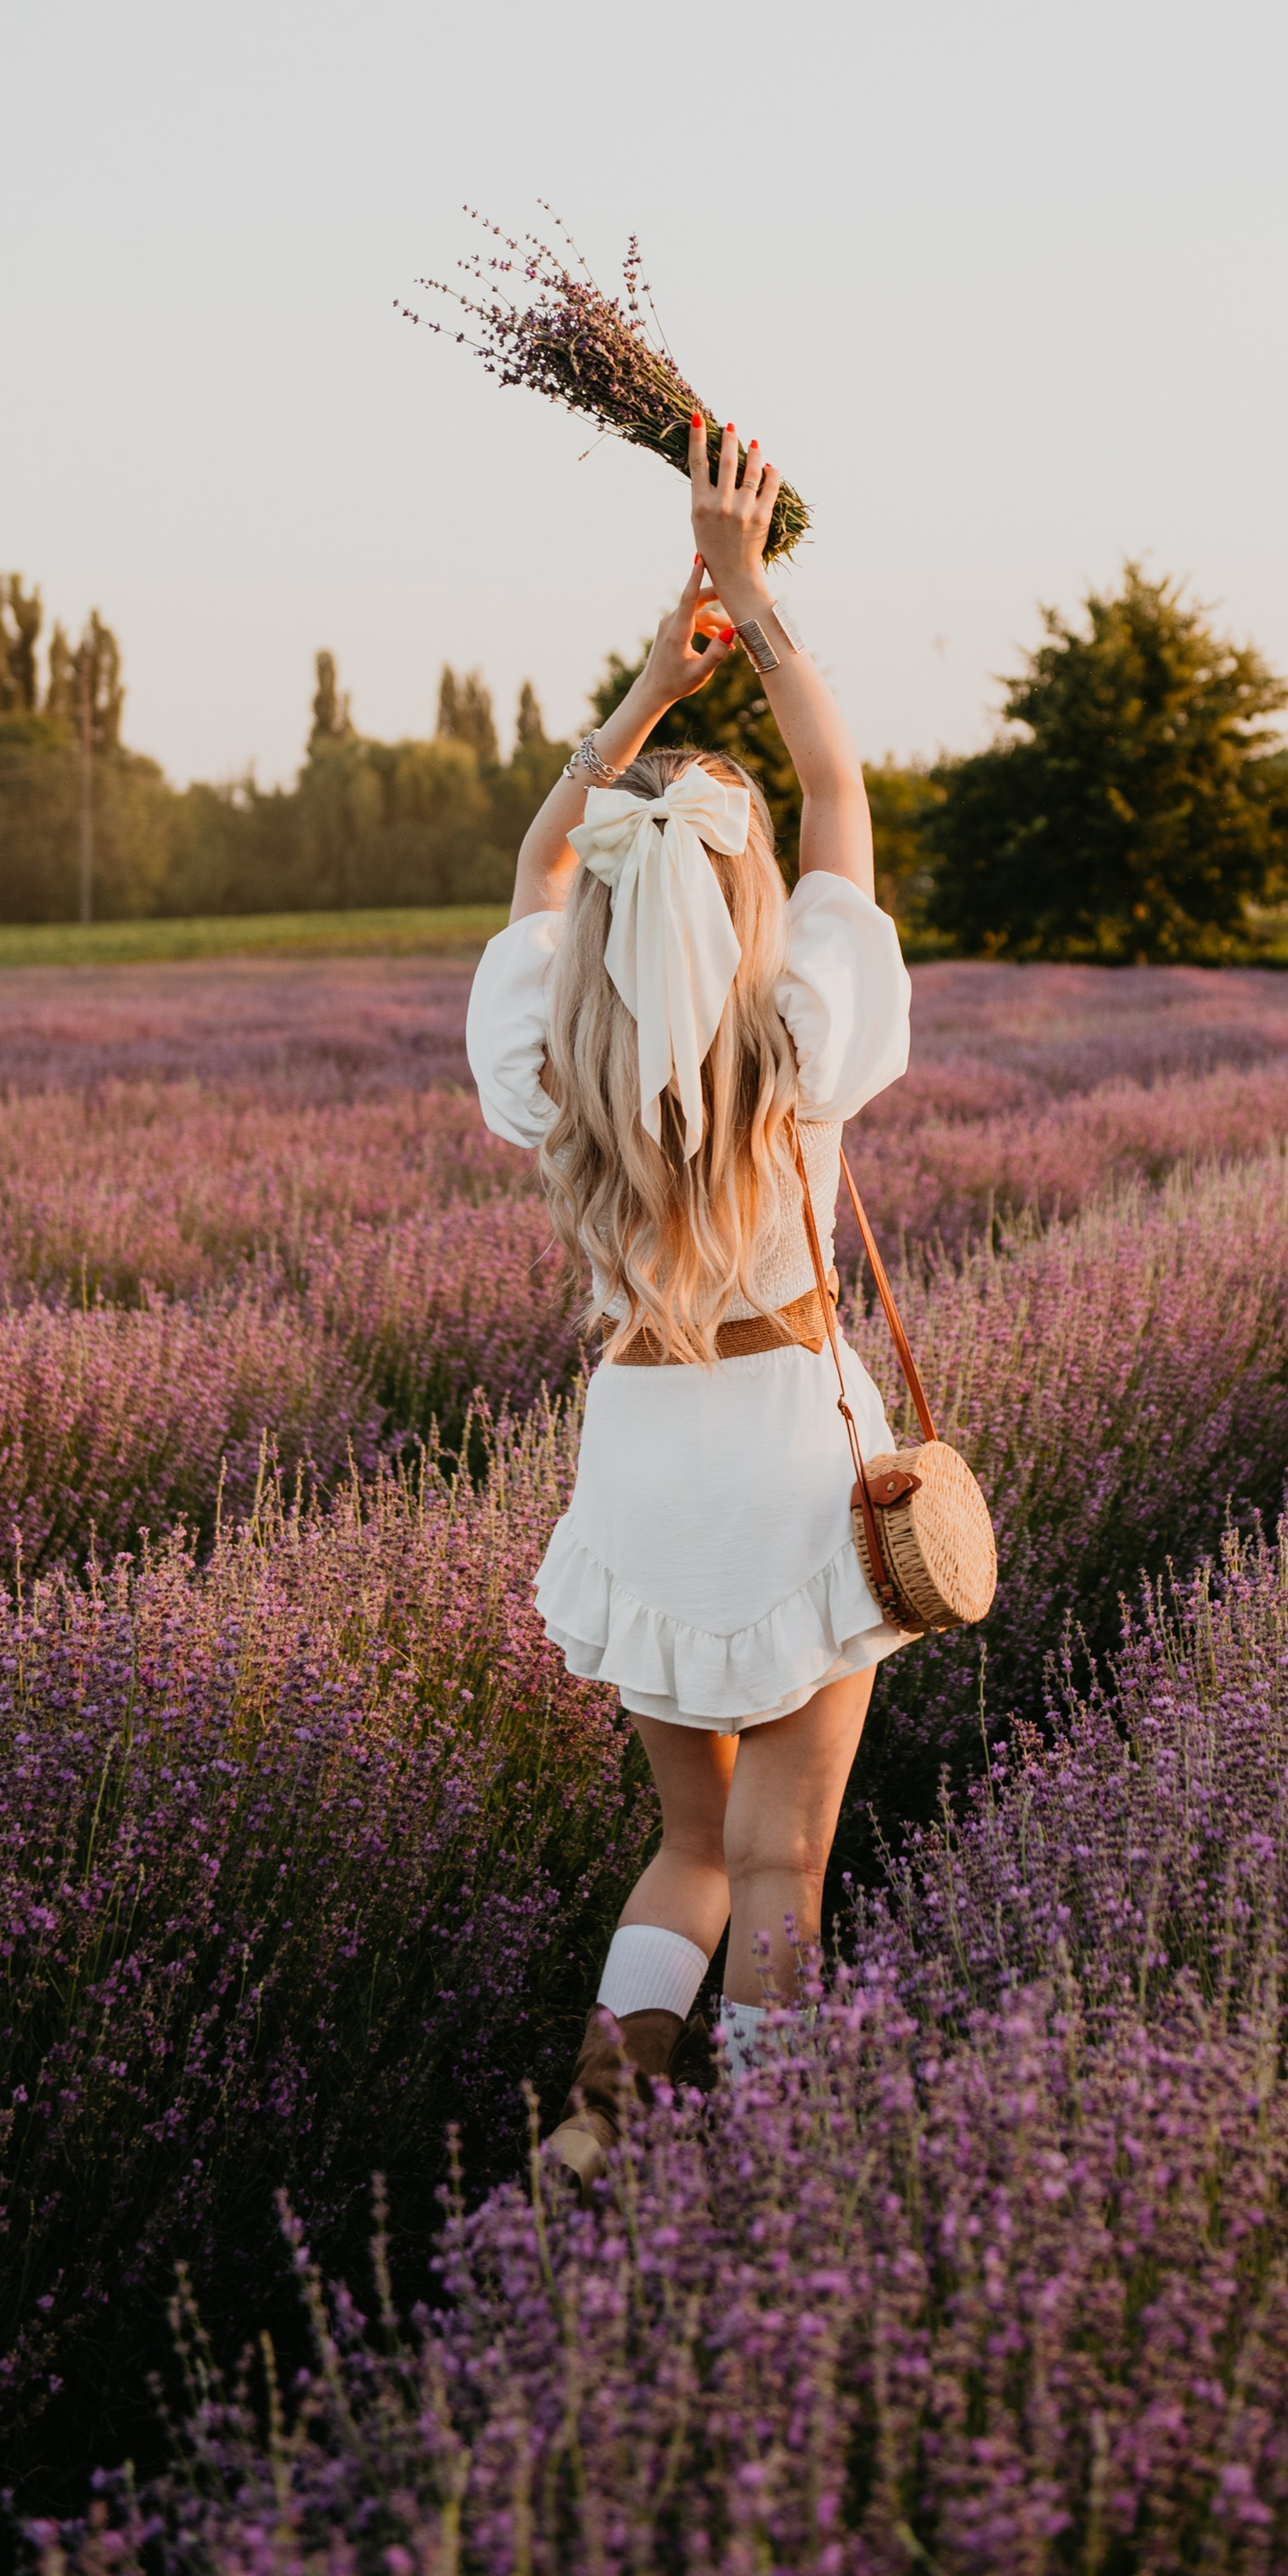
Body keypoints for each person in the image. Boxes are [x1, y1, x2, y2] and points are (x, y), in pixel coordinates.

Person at [465, 409, 914, 2187]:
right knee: (787, 1863)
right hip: (790, 1466)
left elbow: (538, 874)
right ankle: (770, 2187)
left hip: (642, 1461)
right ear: (740, 914)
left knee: (689, 1844)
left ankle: (599, 2117)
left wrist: (643, 696)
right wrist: (746, 597)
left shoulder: (552, 1062)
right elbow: (838, 798)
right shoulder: (795, 1044)